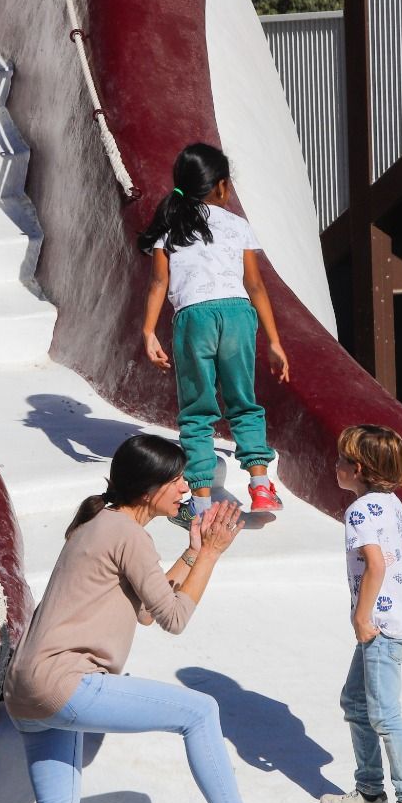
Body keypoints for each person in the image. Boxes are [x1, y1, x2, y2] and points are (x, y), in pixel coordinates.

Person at [7, 434, 317, 803]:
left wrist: (194, 553)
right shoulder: (126, 532)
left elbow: (148, 613)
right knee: (199, 711)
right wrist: (214, 555)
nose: (185, 488)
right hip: (66, 681)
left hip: (28, 691)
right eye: (176, 480)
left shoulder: (100, 525)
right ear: (149, 489)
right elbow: (174, 618)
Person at [137, 143, 289, 525]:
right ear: (221, 186)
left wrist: (149, 331)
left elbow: (158, 282)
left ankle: (201, 503)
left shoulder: (170, 229)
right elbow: (256, 286)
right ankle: (260, 486)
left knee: (197, 410)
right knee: (244, 401)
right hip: (238, 315)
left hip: (193, 318)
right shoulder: (237, 225)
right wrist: (273, 340)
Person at [317, 424, 402, 803]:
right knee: (355, 700)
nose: (335, 465)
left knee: (384, 714)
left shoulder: (361, 510)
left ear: (358, 468)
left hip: (381, 626)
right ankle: (370, 794)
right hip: (396, 622)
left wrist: (361, 617)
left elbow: (376, 564)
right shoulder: (393, 505)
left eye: (340, 460)